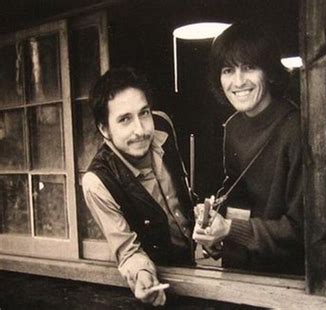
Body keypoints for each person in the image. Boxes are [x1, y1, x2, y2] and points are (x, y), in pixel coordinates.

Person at [193, 22, 304, 275]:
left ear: (270, 72)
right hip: (239, 270)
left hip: (285, 277)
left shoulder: (296, 128)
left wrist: (230, 229)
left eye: (249, 67)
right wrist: (214, 228)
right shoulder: (233, 126)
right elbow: (239, 198)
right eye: (228, 70)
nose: (238, 81)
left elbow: (301, 229)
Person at [82, 67, 195, 306]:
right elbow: (127, 250)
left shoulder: (162, 124)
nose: (141, 130)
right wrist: (143, 275)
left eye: (144, 113)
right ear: (104, 129)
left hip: (197, 263)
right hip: (162, 283)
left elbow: (182, 187)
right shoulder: (97, 182)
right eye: (124, 119)